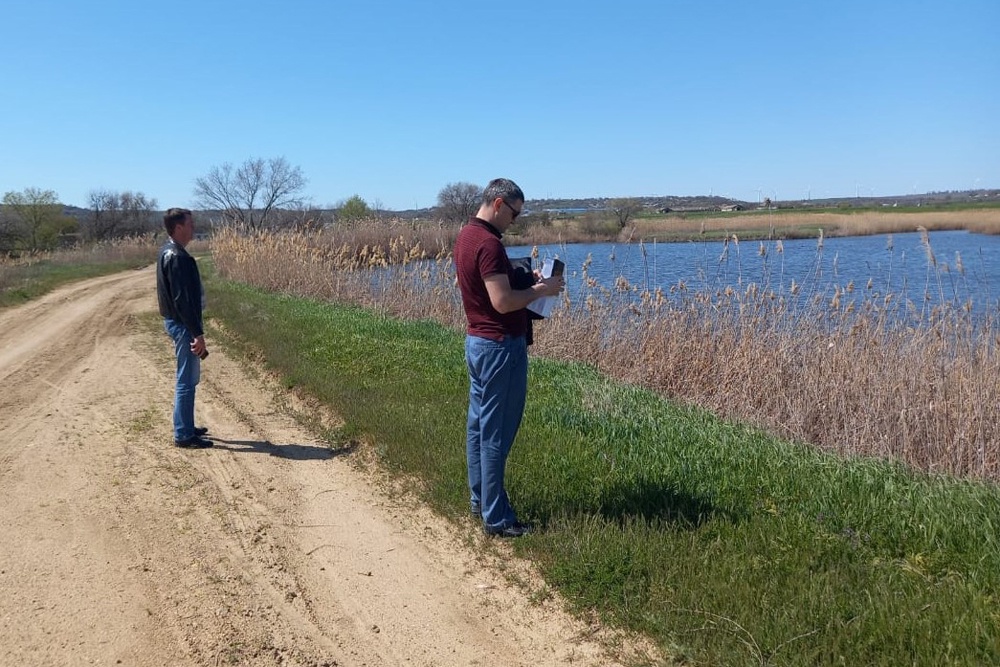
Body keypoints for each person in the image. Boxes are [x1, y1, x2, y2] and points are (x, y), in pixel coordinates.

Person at [454, 178, 564, 538]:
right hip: (499, 346)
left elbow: (492, 287)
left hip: (478, 342)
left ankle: (480, 501)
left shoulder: (467, 235)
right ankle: (497, 518)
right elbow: (502, 302)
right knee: (496, 432)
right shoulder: (488, 243)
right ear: (499, 204)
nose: (514, 222)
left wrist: (524, 278)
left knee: (479, 427)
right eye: (514, 214)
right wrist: (540, 290)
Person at [156, 208, 212, 449]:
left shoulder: (168, 251)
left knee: (188, 378)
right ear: (178, 227)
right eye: (190, 224)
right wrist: (197, 333)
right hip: (182, 325)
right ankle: (183, 434)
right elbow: (183, 301)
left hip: (176, 322)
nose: (193, 228)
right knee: (186, 380)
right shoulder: (177, 257)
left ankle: (186, 425)